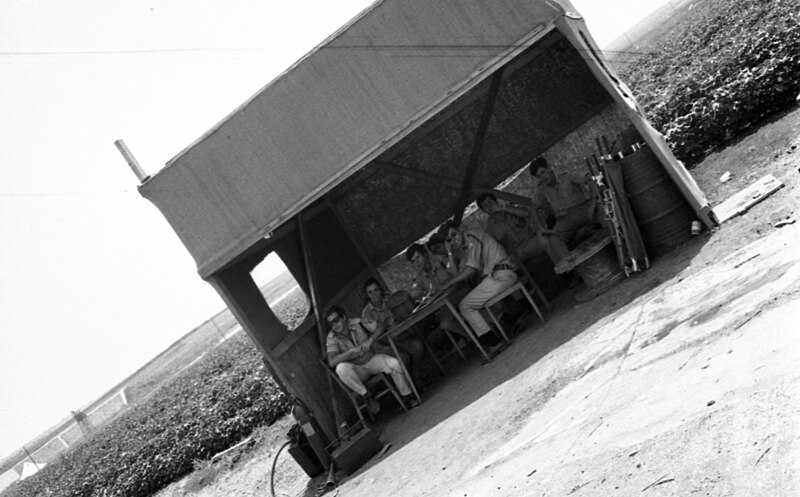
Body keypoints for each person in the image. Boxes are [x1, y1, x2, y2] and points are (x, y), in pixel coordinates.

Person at [435, 220, 518, 355]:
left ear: (461, 228)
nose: (454, 240)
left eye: (454, 234)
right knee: (470, 302)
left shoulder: (472, 236)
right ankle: (509, 320)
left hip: (502, 274)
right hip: (497, 276)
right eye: (449, 240)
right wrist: (450, 253)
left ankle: (494, 343)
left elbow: (471, 269)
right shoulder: (465, 247)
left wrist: (447, 284)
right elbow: (459, 273)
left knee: (465, 305)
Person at [325, 305, 418, 411]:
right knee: (340, 368)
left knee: (394, 363)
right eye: (331, 323)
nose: (334, 325)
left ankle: (407, 396)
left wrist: (370, 340)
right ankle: (367, 396)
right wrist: (350, 351)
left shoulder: (358, 322)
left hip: (372, 359)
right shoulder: (331, 337)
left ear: (344, 317)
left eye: (336, 320)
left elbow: (381, 326)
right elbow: (332, 361)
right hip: (358, 370)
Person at [528, 156, 602, 261]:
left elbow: (590, 179)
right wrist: (541, 229)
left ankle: (623, 246)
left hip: (583, 210)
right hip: (565, 220)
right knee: (553, 239)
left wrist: (593, 203)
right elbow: (533, 208)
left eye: (543, 172)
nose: (542, 177)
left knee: (604, 211)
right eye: (539, 176)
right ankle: (571, 267)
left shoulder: (567, 177)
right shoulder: (541, 190)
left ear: (549, 168)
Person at [361, 277, 425, 383]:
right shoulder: (367, 313)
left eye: (376, 290)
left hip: (404, 334)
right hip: (387, 344)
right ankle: (412, 384)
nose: (374, 294)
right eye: (370, 292)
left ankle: (416, 376)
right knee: (404, 358)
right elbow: (379, 336)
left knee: (419, 345)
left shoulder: (390, 299)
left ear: (380, 290)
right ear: (367, 294)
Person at [404, 243, 471, 342]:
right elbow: (415, 293)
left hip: (460, 292)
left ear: (425, 254)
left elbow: (456, 273)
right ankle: (470, 337)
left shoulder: (441, 260)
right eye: (413, 261)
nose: (417, 262)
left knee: (467, 306)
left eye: (418, 257)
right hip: (446, 303)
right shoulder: (420, 277)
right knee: (445, 323)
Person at [475, 192, 559, 263]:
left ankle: (563, 269)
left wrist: (503, 208)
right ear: (484, 211)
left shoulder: (510, 210)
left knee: (545, 240)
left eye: (490, 202)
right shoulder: (490, 229)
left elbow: (526, 213)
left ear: (496, 201)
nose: (489, 206)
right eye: (485, 205)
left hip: (530, 242)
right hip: (516, 254)